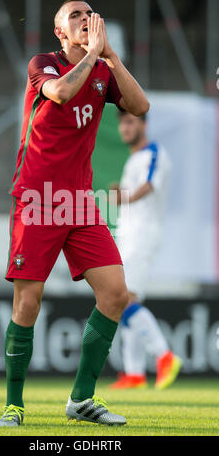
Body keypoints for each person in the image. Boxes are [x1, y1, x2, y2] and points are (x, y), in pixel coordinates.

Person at [0, 0, 149, 427]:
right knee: (28, 301)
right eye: (74, 16)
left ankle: (81, 400)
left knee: (116, 293)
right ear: (61, 33)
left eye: (89, 13)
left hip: (80, 203)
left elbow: (140, 107)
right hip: (37, 198)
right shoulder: (42, 63)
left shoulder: (104, 69)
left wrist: (113, 59)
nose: (85, 19)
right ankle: (14, 403)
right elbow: (62, 93)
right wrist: (96, 56)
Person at [109, 111, 182, 390]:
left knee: (124, 299)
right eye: (122, 123)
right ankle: (135, 373)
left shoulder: (155, 153)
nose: (125, 128)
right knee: (124, 300)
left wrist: (123, 196)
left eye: (130, 122)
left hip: (143, 235)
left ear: (143, 124)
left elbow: (150, 185)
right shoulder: (133, 159)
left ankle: (164, 356)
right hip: (128, 235)